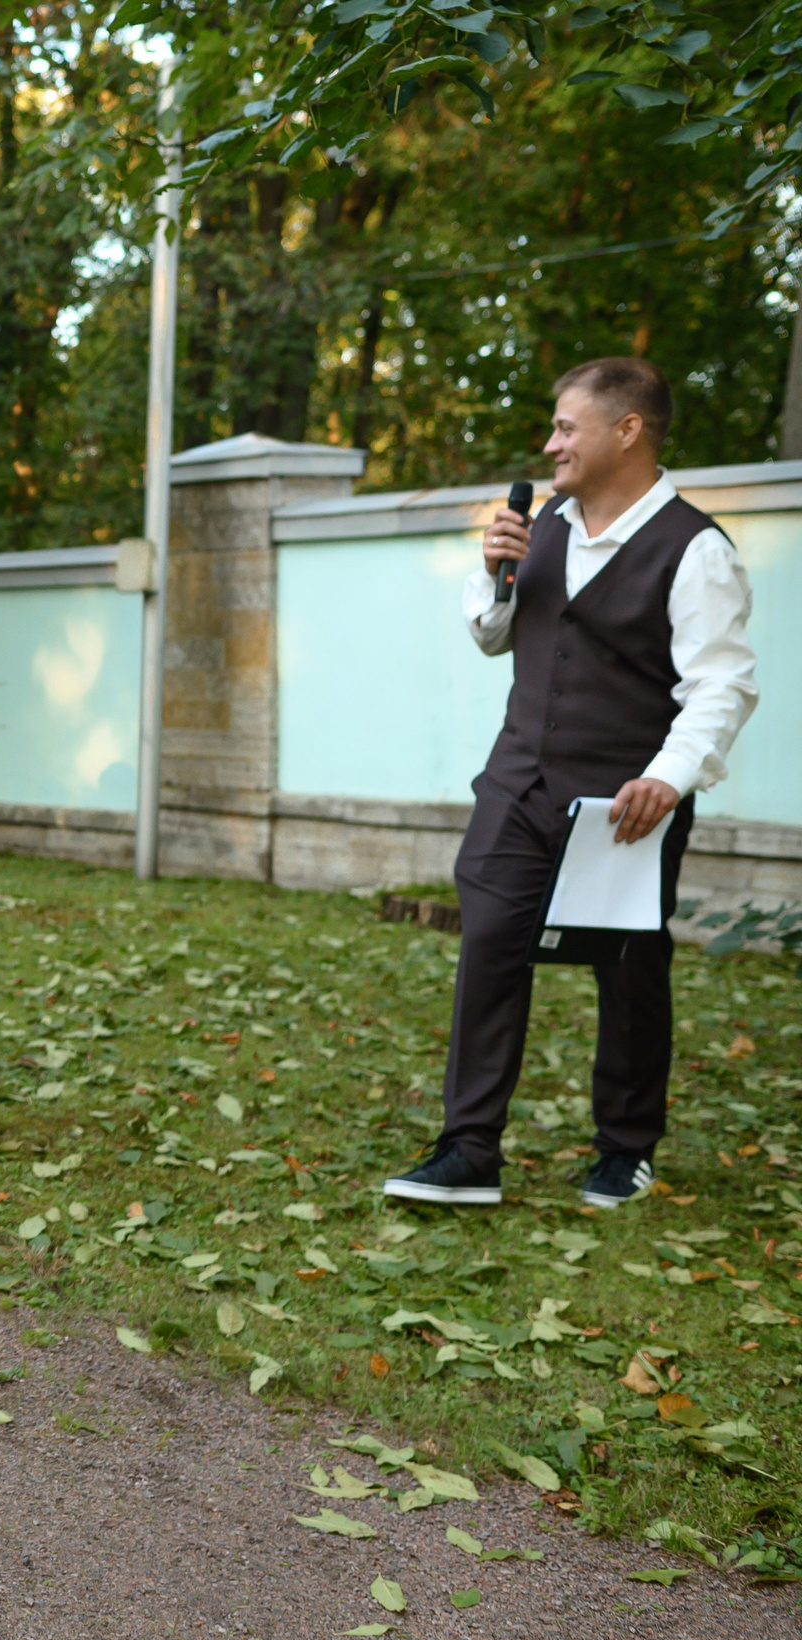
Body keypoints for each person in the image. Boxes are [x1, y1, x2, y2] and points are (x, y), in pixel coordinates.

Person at [386, 360, 757, 1214]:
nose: (550, 443)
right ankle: (470, 1147)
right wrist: (491, 568)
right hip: (517, 781)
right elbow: (493, 636)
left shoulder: (695, 548)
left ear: (626, 431)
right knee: (489, 944)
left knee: (628, 968)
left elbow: (722, 686)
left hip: (625, 803)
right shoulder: (541, 521)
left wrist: (668, 779)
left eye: (566, 427)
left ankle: (626, 1147)